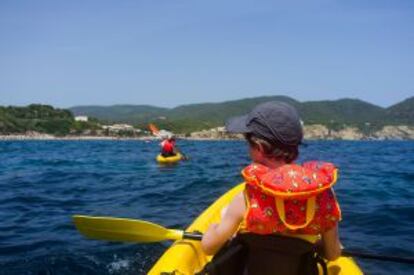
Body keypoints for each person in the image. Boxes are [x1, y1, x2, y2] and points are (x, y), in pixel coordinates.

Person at [200, 101, 342, 275]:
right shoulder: (323, 197)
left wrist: (213, 228)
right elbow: (333, 254)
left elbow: (208, 247)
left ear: (258, 148)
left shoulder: (247, 198)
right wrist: (314, 244)